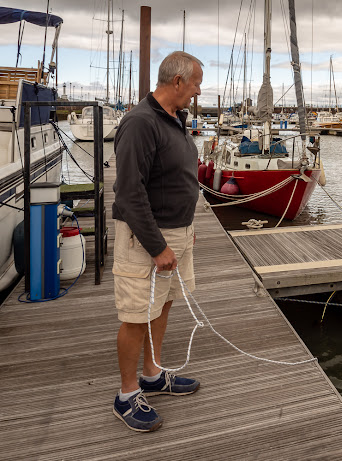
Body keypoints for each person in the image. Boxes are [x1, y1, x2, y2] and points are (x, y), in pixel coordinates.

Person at [111, 51, 203, 432]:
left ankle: (152, 373)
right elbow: (129, 193)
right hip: (146, 239)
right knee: (135, 316)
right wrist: (157, 246)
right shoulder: (140, 122)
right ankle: (127, 394)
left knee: (162, 305)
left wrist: (184, 229)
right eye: (195, 82)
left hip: (177, 232)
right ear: (177, 81)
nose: (198, 91)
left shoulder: (173, 119)